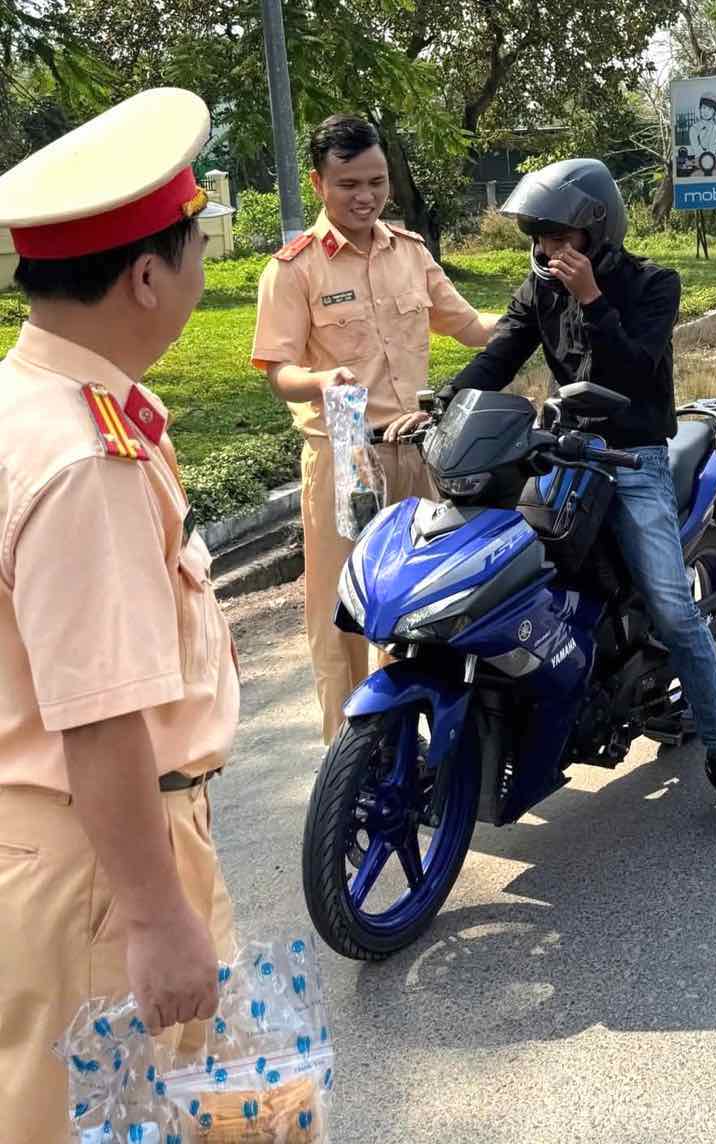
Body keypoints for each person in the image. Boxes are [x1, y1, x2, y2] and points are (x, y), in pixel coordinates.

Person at [0, 88, 240, 1140]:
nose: (201, 273)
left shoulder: (31, 404)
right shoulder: (85, 458)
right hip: (104, 866)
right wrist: (154, 915)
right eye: (195, 249)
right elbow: (98, 717)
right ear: (147, 276)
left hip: (55, 850)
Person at [443, 158, 716, 839]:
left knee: (677, 617)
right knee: (505, 576)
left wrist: (592, 298)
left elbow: (634, 368)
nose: (546, 250)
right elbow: (498, 358)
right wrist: (444, 405)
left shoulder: (652, 284)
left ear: (596, 233)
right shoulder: (537, 290)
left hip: (635, 459)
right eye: (537, 236)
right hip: (562, 448)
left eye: (560, 237)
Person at [252, 115, 498, 744]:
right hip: (343, 457)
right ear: (318, 183)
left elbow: (471, 328)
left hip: (419, 453)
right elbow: (278, 369)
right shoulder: (294, 269)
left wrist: (545, 307)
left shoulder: (411, 253)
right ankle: (347, 756)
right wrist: (320, 382)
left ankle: (405, 745)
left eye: (376, 181)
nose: (364, 197)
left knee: (417, 605)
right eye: (348, 184)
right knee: (340, 615)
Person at [689, 91, 716, 168]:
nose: (706, 111)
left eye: (710, 109)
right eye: (704, 108)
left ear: (714, 112)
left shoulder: (714, 126)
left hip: (714, 162)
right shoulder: (694, 129)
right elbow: (697, 150)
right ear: (700, 109)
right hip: (699, 163)